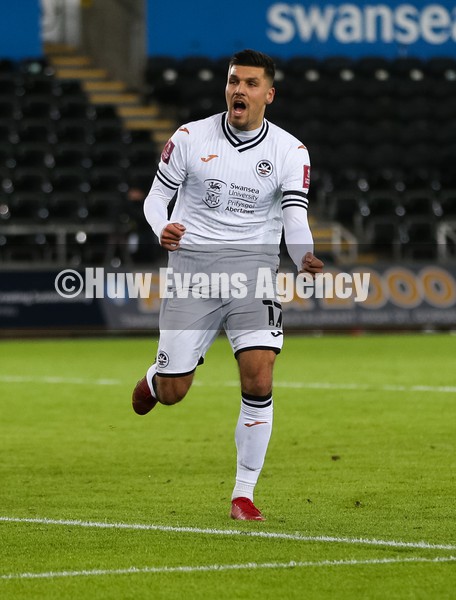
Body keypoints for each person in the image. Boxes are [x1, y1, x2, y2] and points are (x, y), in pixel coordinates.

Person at [132, 49, 323, 521]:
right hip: (192, 270)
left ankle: (243, 494)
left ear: (268, 94)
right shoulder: (190, 138)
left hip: (255, 271)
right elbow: (157, 198)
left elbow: (295, 219)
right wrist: (162, 227)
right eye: (234, 81)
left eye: (251, 83)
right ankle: (157, 379)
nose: (240, 89)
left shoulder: (290, 150)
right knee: (176, 391)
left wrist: (304, 257)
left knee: (259, 376)